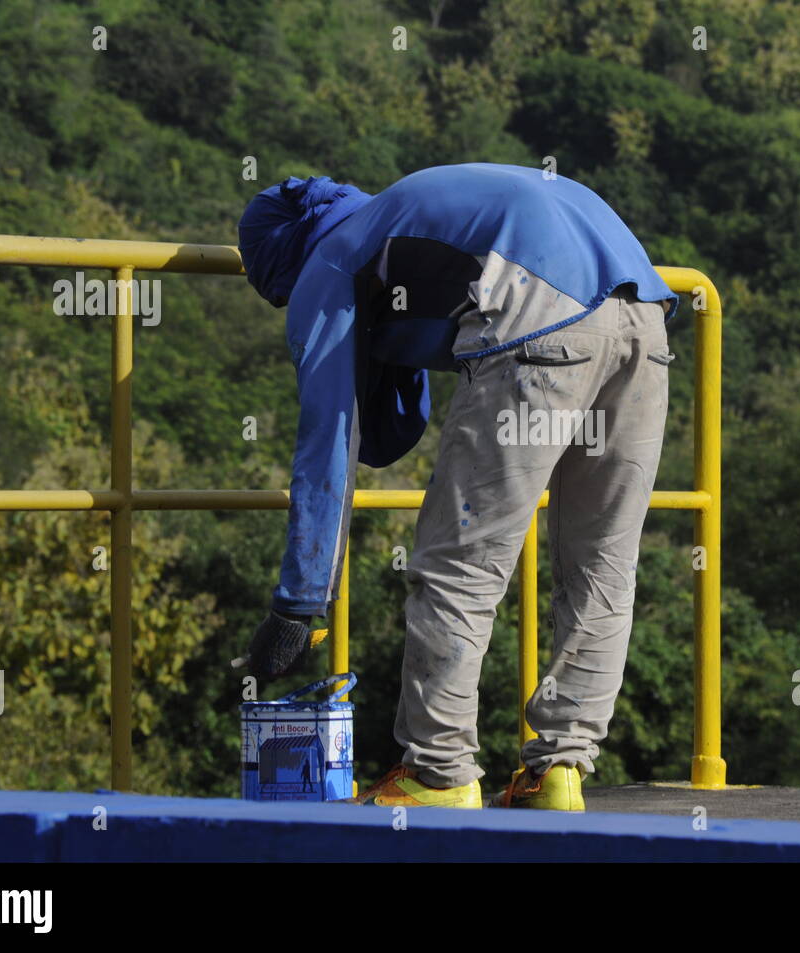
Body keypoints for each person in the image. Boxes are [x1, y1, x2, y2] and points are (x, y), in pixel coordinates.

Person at [237, 163, 676, 811]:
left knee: (457, 562)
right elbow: (396, 418)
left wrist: (297, 605)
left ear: (279, 262)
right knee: (603, 563)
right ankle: (558, 772)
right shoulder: (392, 223)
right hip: (644, 314)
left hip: (541, 318)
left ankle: (438, 773)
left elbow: (328, 442)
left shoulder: (329, 260)